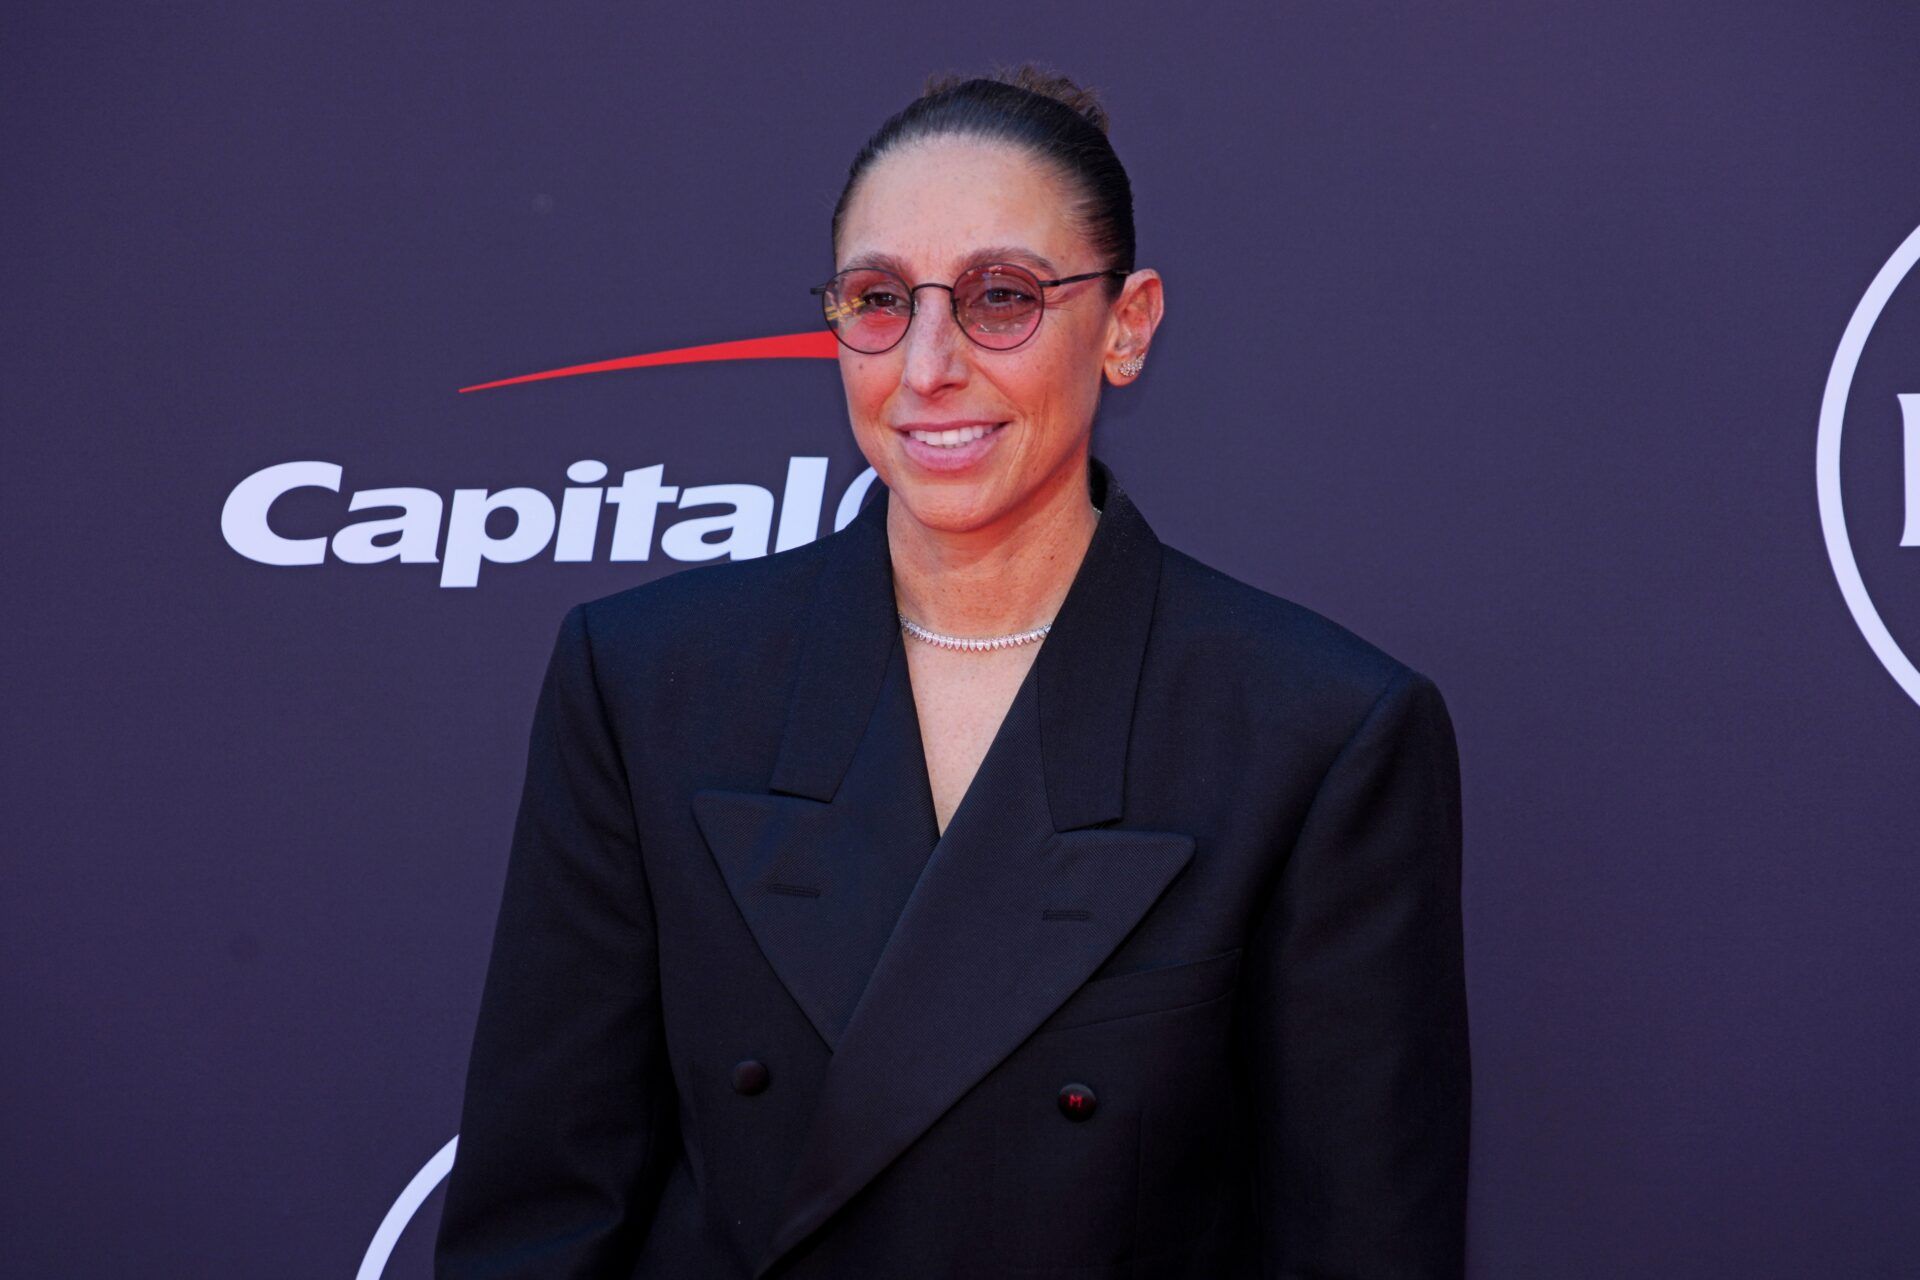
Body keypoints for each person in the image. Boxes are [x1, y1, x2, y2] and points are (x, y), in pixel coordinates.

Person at [435, 66, 1469, 1279]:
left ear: (1127, 324)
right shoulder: (646, 683)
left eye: (1000, 298)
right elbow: (540, 1220)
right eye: (880, 300)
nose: (927, 365)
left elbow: (1361, 1242)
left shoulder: (1315, 730)